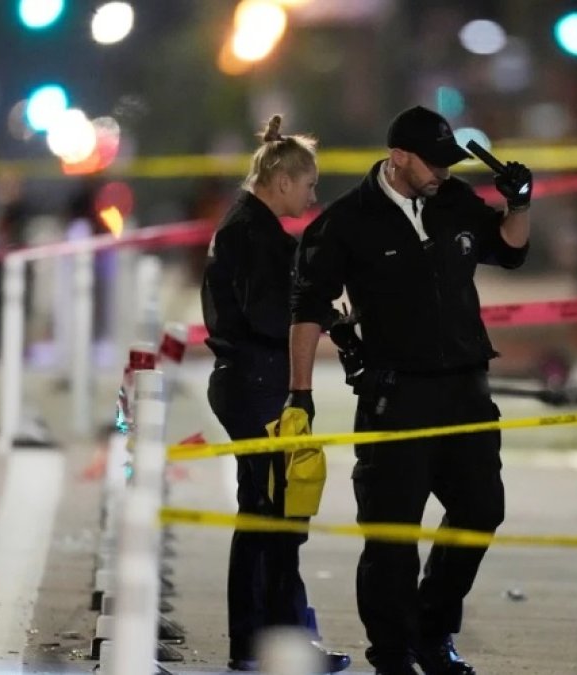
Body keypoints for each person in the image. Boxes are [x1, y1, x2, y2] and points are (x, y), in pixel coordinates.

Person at [283, 105, 533, 675]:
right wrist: (301, 395)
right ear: (398, 157)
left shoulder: (454, 200)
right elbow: (307, 309)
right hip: (397, 394)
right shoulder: (347, 221)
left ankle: (433, 632)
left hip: (466, 387)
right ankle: (393, 655)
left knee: (480, 511)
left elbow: (510, 251)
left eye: (449, 163)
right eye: (433, 163)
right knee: (392, 533)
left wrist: (518, 202)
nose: (443, 172)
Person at [201, 115, 351, 674]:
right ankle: (270, 645)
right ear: (283, 180)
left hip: (249, 380)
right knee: (273, 517)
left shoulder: (248, 227)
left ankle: (267, 641)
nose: (313, 196)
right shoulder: (252, 233)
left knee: (272, 514)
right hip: (256, 382)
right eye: (309, 185)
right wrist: (312, 309)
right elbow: (268, 315)